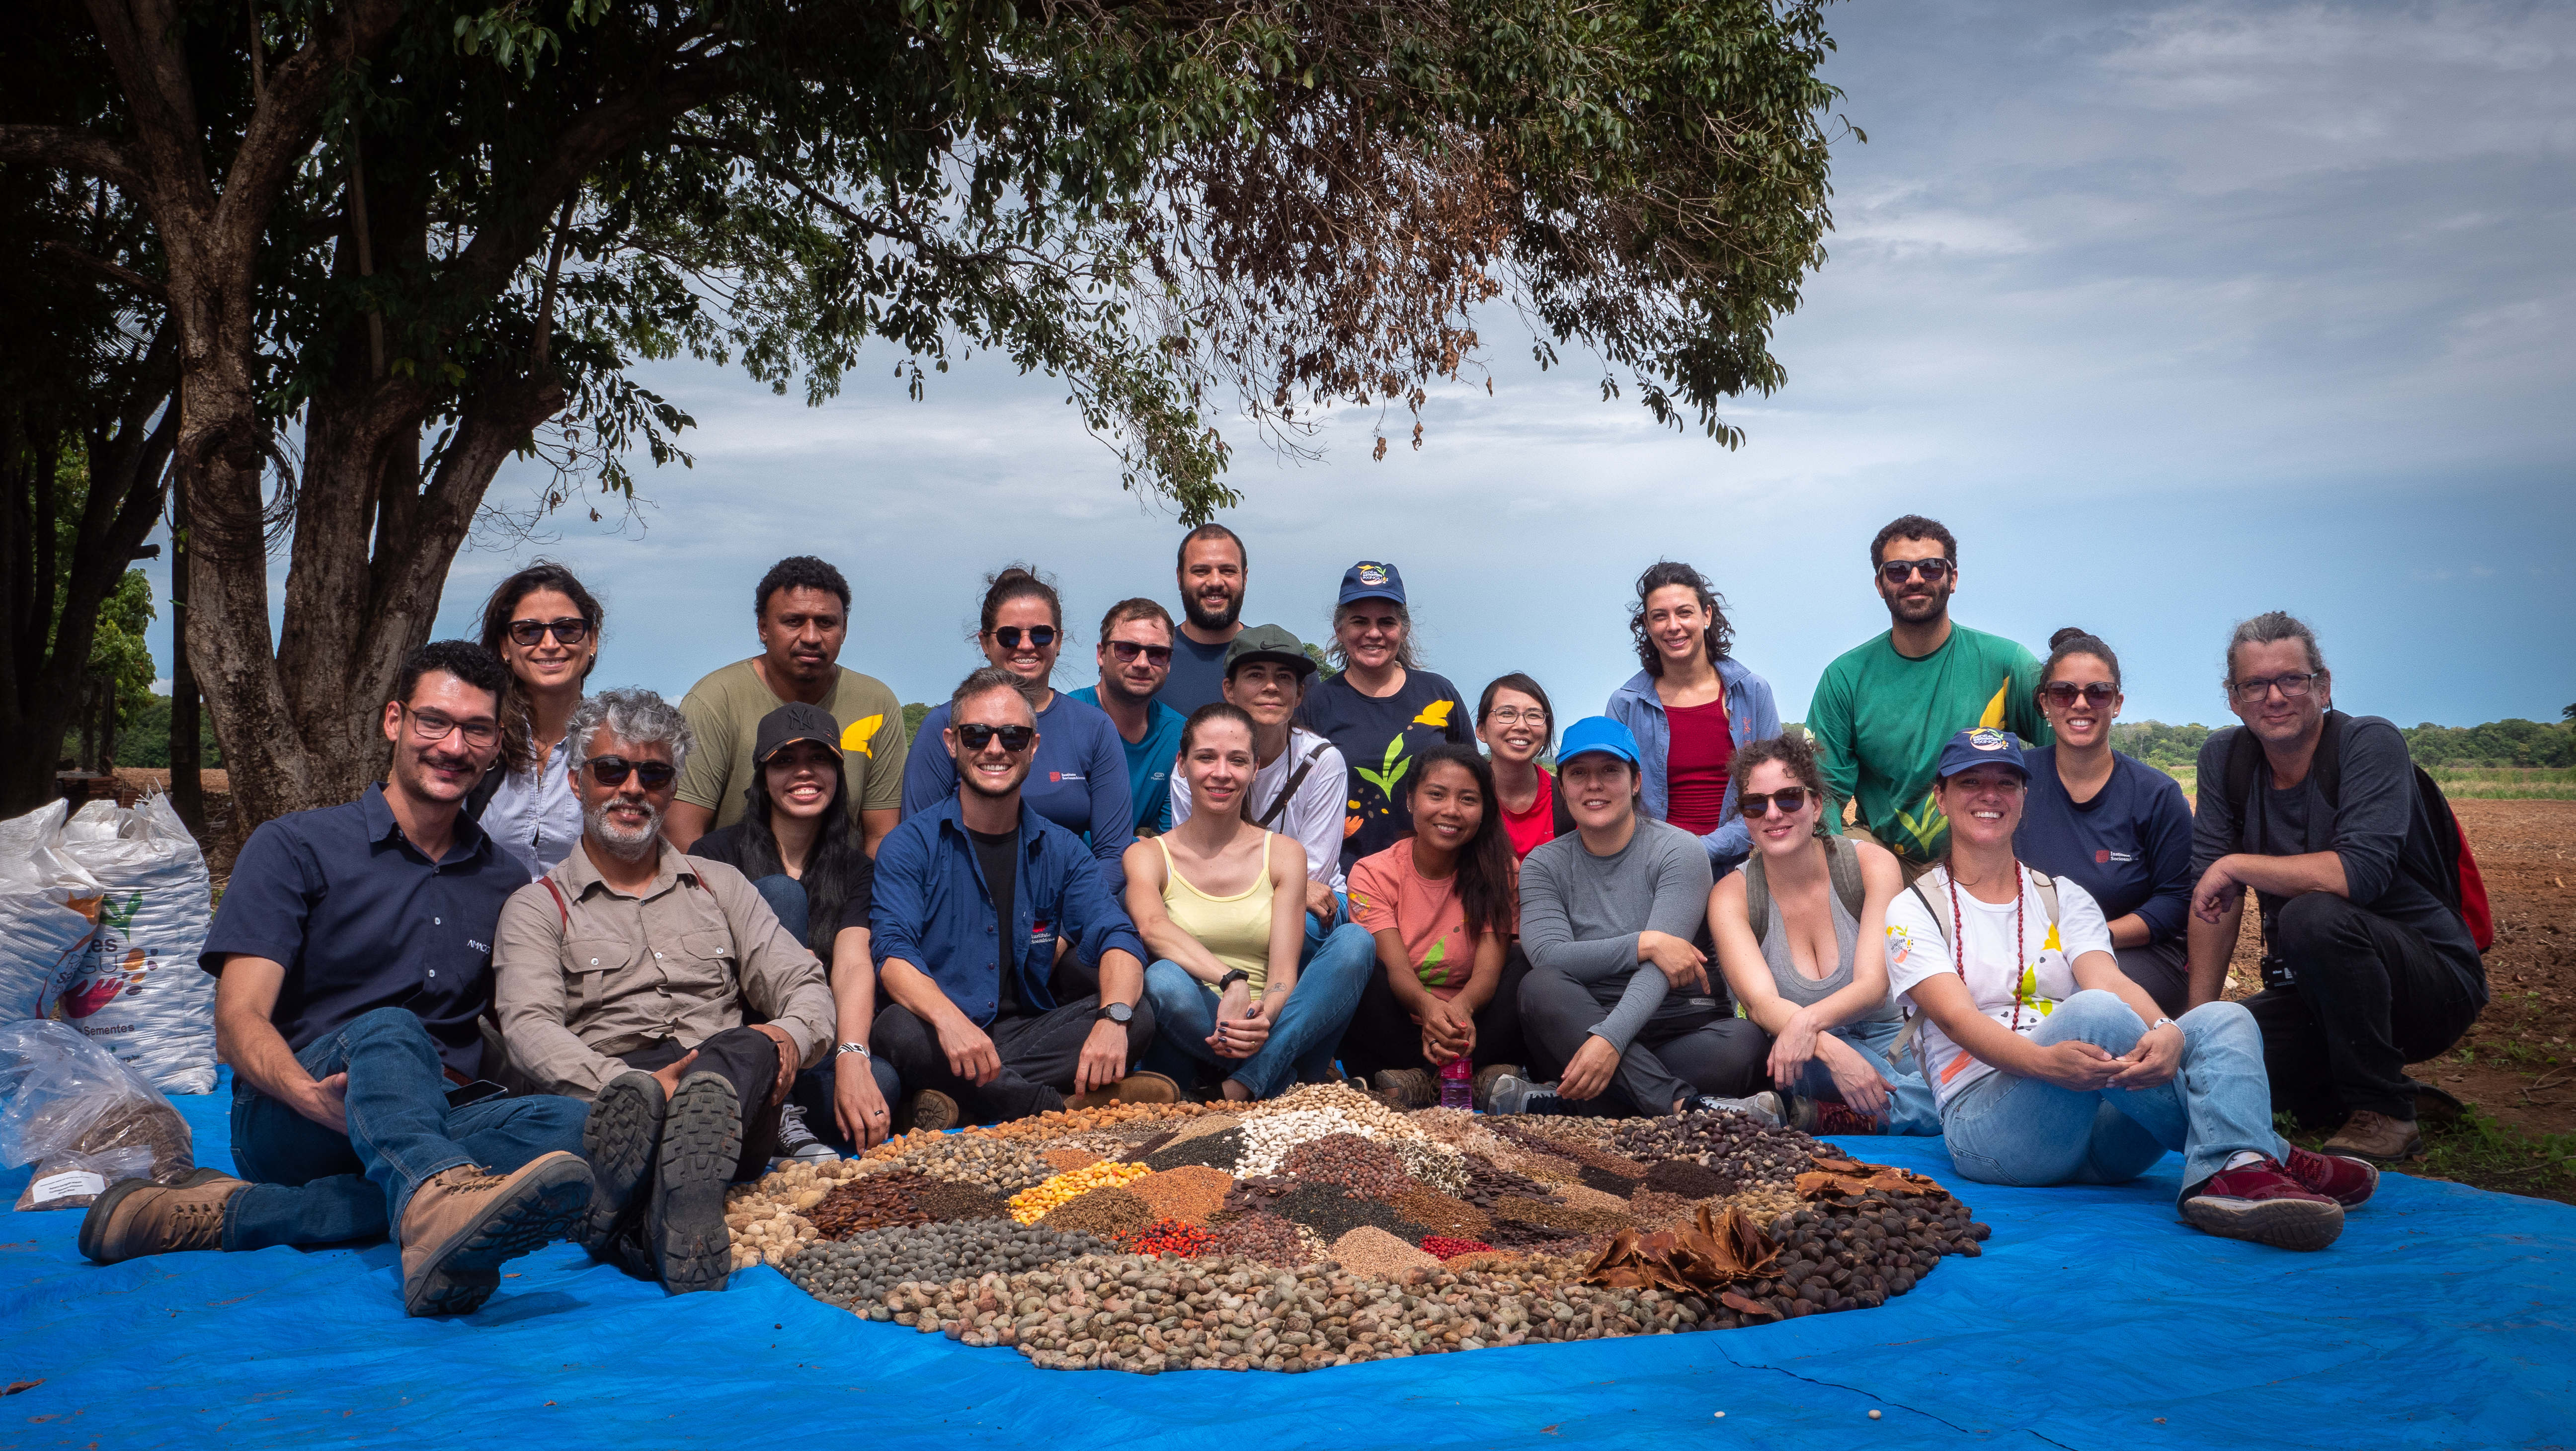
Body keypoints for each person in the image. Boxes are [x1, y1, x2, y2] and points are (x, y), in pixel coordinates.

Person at [79, 642, 596, 1319]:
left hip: (437, 1113)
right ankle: (436, 1200)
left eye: (476, 730)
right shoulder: (295, 846)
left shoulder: (503, 879)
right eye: (433, 721)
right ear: (394, 722)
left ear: (496, 745)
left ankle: (254, 1213)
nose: (452, 745)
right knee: (390, 1026)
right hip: (296, 1112)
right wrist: (306, 1094)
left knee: (586, 1133)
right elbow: (237, 1021)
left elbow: (518, 1022)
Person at [1886, 727, 2377, 1252]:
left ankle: (2239, 1164)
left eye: (2006, 782)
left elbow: (2112, 979)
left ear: (2024, 797)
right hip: (1994, 1131)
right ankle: (2260, 1154)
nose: (1989, 794)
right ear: (1941, 796)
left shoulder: (2061, 897)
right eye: (1970, 781)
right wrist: (2046, 1064)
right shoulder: (1914, 909)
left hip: (2103, 1132)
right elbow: (1961, 1021)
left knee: (2224, 1020)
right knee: (2092, 1012)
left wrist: (2166, 1030)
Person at [495, 688, 839, 1294]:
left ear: (672, 787)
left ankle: (643, 1203)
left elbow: (803, 980)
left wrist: (789, 1035)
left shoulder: (720, 885)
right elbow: (529, 1029)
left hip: (728, 1093)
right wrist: (632, 1089)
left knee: (748, 1046)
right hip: (617, 1089)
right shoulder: (536, 907)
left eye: (653, 773)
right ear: (578, 782)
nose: (633, 788)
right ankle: (673, 1214)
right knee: (630, 1116)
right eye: (612, 770)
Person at [2186, 612, 2487, 1162]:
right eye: (2255, 684)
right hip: (2314, 991)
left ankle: (2386, 1110)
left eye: (2292, 680)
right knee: (2225, 1065)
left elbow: (2359, 873)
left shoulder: (2368, 742)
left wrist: (2235, 864)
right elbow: (2213, 904)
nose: (2274, 696)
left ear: (2323, 686)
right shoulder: (2225, 760)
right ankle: (2346, 1090)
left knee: (2311, 914)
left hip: (2429, 980)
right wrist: (2196, 1029)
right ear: (2233, 698)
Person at [870, 667, 1171, 1128]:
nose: (995, 749)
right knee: (898, 1031)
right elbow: (892, 952)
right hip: (942, 1026)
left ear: (1033, 746)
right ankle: (1056, 1109)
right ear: (952, 743)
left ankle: (972, 1099)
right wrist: (951, 1023)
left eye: (1012, 736)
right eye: (976, 735)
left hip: (1029, 1031)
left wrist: (1113, 1019)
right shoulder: (910, 844)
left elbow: (1116, 935)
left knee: (1139, 1012)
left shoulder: (1062, 849)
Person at [1489, 717, 1773, 1118]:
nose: (1594, 784)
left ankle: (1566, 1102)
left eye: (1610, 771)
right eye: (1578, 773)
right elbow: (1549, 954)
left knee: (1743, 1042)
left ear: (1636, 781)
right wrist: (1645, 943)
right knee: (1540, 985)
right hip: (1579, 1026)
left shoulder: (1679, 851)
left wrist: (1610, 1042)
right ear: (1563, 786)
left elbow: (1660, 973)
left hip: (1677, 1025)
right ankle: (1685, 1106)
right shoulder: (1544, 864)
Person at [687, 701, 904, 1161]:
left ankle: (773, 1124)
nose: (803, 773)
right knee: (781, 896)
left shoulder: (855, 869)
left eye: (819, 759)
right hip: (734, 1047)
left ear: (839, 773)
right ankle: (772, 1110)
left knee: (880, 1079)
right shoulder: (714, 855)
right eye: (784, 761)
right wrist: (774, 963)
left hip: (810, 1045)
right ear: (762, 775)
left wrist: (851, 1054)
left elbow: (850, 965)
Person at [1127, 704, 1376, 1100]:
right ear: (1182, 764)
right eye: (1206, 757)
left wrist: (1268, 1014)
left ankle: (1242, 1085)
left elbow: (1282, 974)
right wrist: (1232, 981)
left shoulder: (1283, 854)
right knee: (1163, 980)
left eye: (1237, 760)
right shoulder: (1147, 855)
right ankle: (1283, 1083)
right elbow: (1154, 929)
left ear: (1256, 768)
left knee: (1355, 942)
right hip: (1197, 1030)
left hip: (1275, 1027)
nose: (1222, 773)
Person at [1708, 734, 1937, 1136]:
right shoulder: (1732, 896)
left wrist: (1804, 1025)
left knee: (1950, 1092)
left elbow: (1872, 986)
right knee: (1946, 1104)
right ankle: (1898, 1111)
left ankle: (1808, 1115)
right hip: (1806, 1057)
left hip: (1892, 1038)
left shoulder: (1870, 866)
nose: (1773, 814)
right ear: (1744, 817)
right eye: (1755, 804)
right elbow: (1761, 1004)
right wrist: (1830, 1048)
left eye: (1789, 798)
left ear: (1816, 805)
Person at [1808, 515, 2051, 873]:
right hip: (1888, 862)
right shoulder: (1845, 677)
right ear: (1880, 584)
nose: (1915, 579)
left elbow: (2062, 757)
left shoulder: (2008, 664)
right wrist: (1831, 872)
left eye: (1931, 568)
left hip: (1990, 855)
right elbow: (1823, 791)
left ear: (1952, 579)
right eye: (1898, 570)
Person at [904, 565, 1137, 898]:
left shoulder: (1094, 728)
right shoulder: (943, 726)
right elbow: (918, 847)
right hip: (962, 910)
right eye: (1009, 636)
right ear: (985, 642)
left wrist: (1061, 930)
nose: (1026, 646)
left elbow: (1113, 856)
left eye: (1041, 634)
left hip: (1066, 914)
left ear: (1058, 639)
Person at [669, 556, 909, 854]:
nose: (811, 637)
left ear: (844, 630)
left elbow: (882, 836)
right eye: (793, 622)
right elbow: (683, 835)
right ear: (763, 628)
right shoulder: (714, 701)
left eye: (826, 623)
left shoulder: (877, 703)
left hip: (842, 889)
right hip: (730, 889)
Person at [2013, 629, 2196, 1017]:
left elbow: (2175, 902)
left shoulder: (2157, 795)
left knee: (2087, 1000)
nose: (2080, 704)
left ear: (2117, 704)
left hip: (2133, 954)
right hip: (2020, 947)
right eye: (2064, 692)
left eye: (2097, 692)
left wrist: (2088, 940)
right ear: (2045, 703)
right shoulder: (2015, 780)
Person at [1340, 744, 1531, 1108]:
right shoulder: (1373, 872)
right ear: (1411, 800)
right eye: (1437, 795)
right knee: (1358, 966)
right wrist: (1429, 1011)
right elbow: (1396, 970)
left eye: (1468, 799)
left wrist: (1459, 1013)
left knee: (1526, 963)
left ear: (1484, 810)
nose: (1451, 811)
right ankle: (1464, 1080)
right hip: (1400, 1030)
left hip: (1473, 1027)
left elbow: (1488, 974)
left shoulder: (1502, 871)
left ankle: (1424, 1085)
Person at [1293, 561, 1472, 875]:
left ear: (1404, 629)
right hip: (1345, 884)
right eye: (1359, 621)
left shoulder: (1439, 694)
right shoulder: (1316, 703)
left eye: (1386, 622)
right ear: (1340, 630)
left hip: (1437, 878)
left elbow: (1474, 785)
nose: (1373, 633)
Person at [1605, 561, 1782, 873]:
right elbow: (1617, 800)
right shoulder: (1625, 705)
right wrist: (1670, 857)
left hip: (1741, 863)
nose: (1673, 626)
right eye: (1660, 616)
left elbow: (1775, 791)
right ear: (1646, 624)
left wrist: (1700, 849)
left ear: (1707, 616)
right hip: (1654, 868)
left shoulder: (1752, 692)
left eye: (1684, 612)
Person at [1169, 626, 1350, 926]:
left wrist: (1231, 885)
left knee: (1303, 926)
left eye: (1284, 677)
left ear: (1299, 693)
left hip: (1313, 905)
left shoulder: (1323, 762)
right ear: (1229, 689)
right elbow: (1192, 862)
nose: (1271, 687)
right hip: (1219, 896)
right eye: (1255, 675)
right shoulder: (1196, 766)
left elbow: (1314, 874)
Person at [468, 561, 604, 879]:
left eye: (567, 629)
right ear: (505, 645)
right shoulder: (476, 742)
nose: (550, 644)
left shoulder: (616, 746)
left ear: (592, 640)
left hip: (588, 927)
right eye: (528, 631)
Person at [1069, 598, 1188, 836]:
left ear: (1169, 663)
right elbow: (1054, 828)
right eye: (1127, 649)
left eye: (1157, 653)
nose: (1142, 663)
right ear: (1101, 654)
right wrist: (1136, 847)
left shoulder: (1178, 734)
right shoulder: (1065, 720)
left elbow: (1171, 840)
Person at [1161, 523, 1258, 715]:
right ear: (1180, 578)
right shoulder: (1150, 659)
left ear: (1244, 578)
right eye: (1201, 571)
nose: (1215, 582)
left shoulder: (1281, 663)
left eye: (1228, 571)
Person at [1477, 673, 1571, 860]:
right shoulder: (1463, 799)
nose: (1521, 726)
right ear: (1481, 730)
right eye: (1506, 713)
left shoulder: (1567, 799)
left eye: (1534, 715)